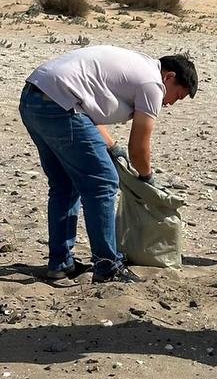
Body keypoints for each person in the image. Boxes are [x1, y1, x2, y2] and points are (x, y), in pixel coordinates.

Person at [19, 46, 198, 285]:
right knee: (104, 181)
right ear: (170, 77)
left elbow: (88, 113)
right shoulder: (153, 84)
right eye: (177, 96)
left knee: (65, 184)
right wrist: (147, 179)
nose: (170, 104)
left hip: (34, 98)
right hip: (59, 105)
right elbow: (139, 148)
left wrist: (113, 148)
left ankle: (61, 264)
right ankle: (108, 265)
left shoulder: (139, 66)